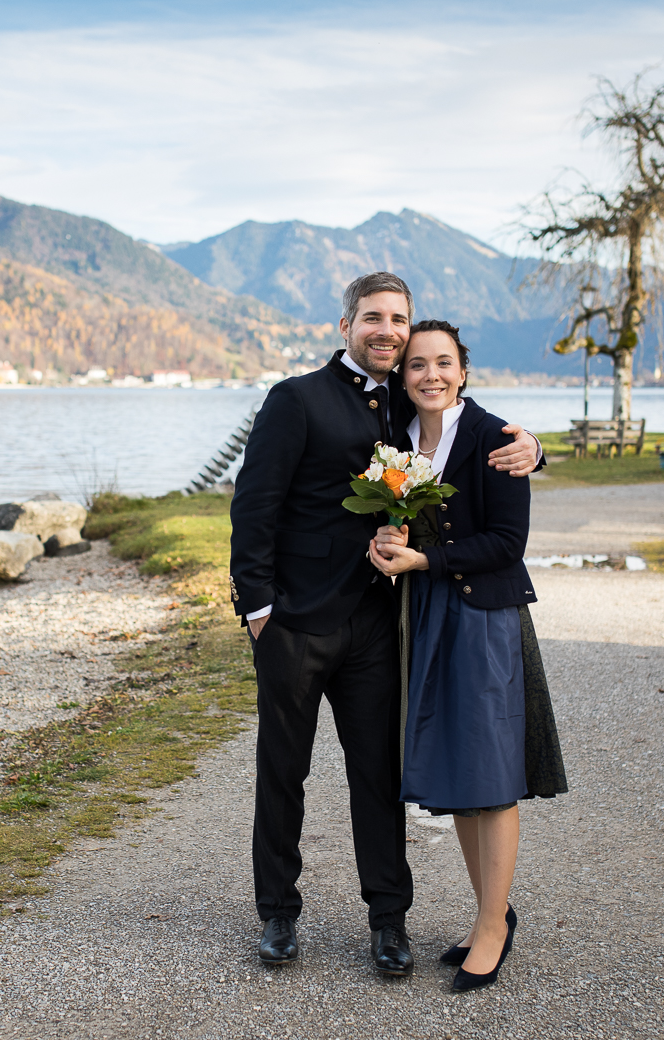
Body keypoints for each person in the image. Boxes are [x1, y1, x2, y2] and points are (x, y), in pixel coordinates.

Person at [228, 275, 544, 975]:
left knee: (379, 775)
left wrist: (536, 447)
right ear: (346, 324)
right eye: (373, 317)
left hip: (376, 625)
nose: (388, 330)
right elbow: (253, 507)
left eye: (397, 319)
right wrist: (258, 608)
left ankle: (387, 921)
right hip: (295, 624)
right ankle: (278, 913)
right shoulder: (295, 399)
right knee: (284, 771)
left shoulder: (404, 398)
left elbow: (466, 419)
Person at [368, 319, 567, 993]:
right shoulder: (397, 444)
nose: (430, 374)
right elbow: (395, 521)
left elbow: (508, 542)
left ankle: (491, 927)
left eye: (443, 362)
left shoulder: (497, 439)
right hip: (428, 617)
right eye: (418, 364)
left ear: (463, 370)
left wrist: (427, 558)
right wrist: (388, 541)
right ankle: (492, 911)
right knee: (458, 770)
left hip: (484, 619)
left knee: (492, 772)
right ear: (403, 375)